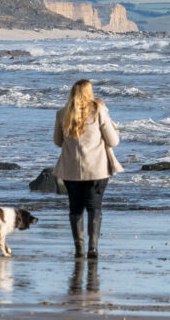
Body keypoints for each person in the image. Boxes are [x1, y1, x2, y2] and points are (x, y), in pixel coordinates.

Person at [53, 78, 122, 259]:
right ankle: (93, 247)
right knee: (94, 207)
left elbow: (58, 142)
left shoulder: (62, 114)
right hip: (97, 169)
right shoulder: (98, 111)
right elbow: (113, 141)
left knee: (75, 208)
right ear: (90, 93)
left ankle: (79, 248)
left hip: (71, 169)